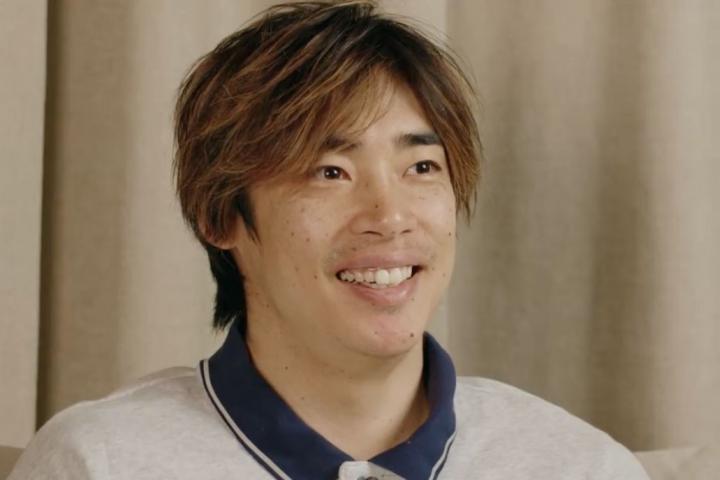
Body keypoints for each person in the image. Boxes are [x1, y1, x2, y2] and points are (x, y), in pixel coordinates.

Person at [10, 2, 649, 479]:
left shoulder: (583, 467)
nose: (390, 216)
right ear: (219, 216)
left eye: (421, 167)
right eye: (329, 172)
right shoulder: (101, 462)